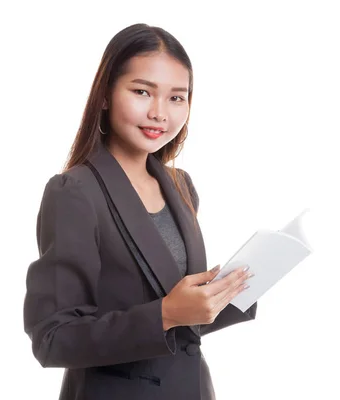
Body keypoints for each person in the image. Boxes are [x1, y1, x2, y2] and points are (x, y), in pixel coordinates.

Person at [23, 23, 258, 400]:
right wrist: (166, 313)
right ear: (105, 95)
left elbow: (182, 322)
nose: (159, 113)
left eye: (176, 98)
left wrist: (234, 291)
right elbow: (53, 338)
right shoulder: (74, 193)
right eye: (141, 91)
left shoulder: (180, 185)